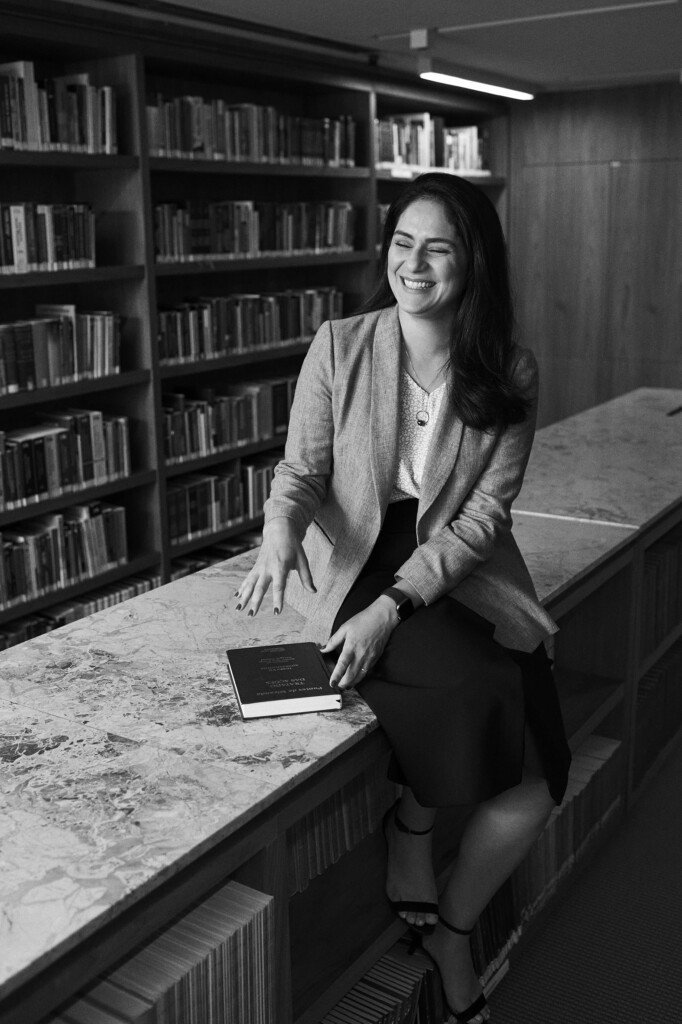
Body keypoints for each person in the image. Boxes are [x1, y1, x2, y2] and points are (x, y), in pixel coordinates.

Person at [235, 172, 571, 1024]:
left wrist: (394, 608)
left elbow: (481, 520)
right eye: (401, 243)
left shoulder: (508, 368)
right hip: (357, 561)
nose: (414, 264)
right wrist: (281, 529)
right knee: (479, 697)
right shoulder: (341, 343)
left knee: (540, 778)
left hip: (458, 568)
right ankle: (414, 829)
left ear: (475, 263)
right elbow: (303, 471)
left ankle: (451, 922)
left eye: (439, 248)